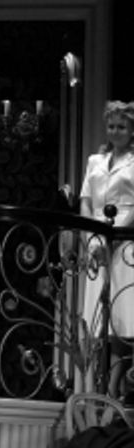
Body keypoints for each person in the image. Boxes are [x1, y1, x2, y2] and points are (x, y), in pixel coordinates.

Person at [78, 100, 134, 403]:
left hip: (125, 242)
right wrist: (92, 237)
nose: (116, 131)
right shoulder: (94, 161)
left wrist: (112, 236)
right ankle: (91, 388)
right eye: (111, 126)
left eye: (122, 126)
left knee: (121, 318)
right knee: (95, 318)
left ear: (131, 130)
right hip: (96, 239)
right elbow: (86, 199)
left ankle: (115, 387)